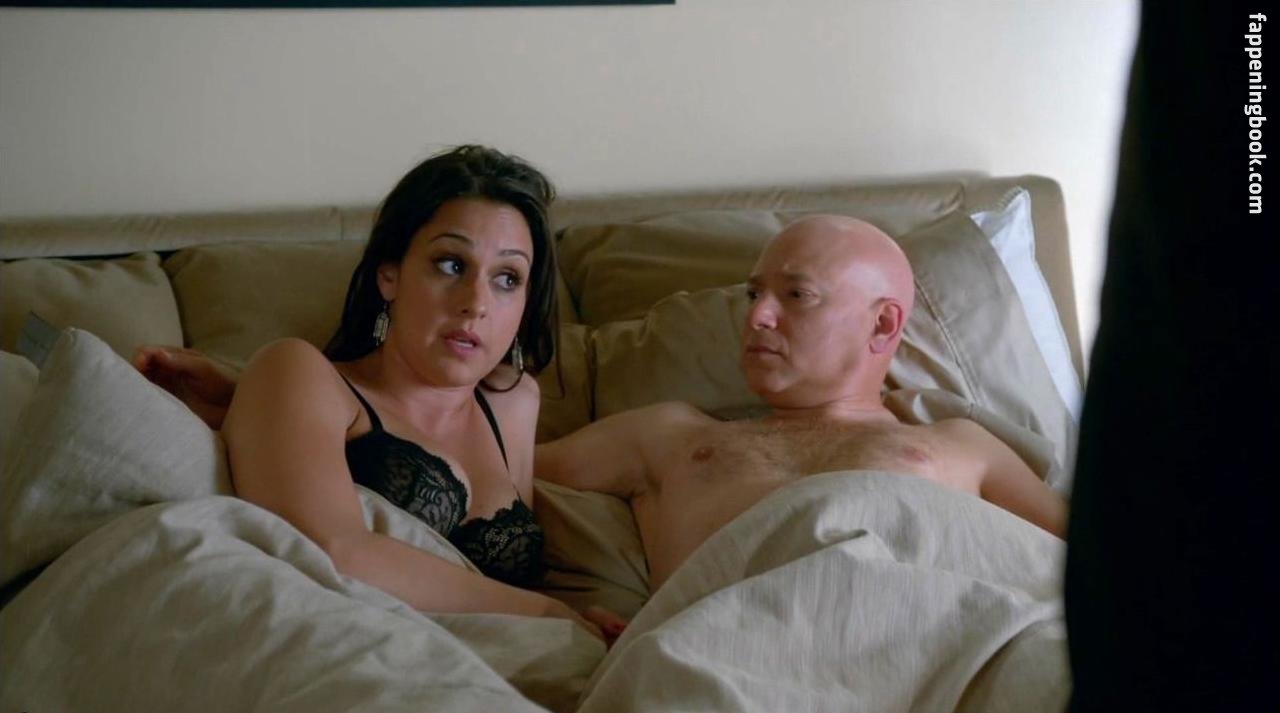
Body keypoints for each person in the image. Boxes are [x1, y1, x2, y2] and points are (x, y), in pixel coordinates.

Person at [138, 145, 621, 641]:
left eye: (507, 278)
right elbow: (332, 553)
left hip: (514, 656)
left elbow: (511, 586)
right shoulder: (299, 372)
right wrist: (547, 614)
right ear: (389, 275)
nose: (477, 303)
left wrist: (578, 620)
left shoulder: (513, 400)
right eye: (451, 264)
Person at [535, 215, 1068, 589]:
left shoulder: (961, 444)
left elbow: (1092, 568)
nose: (756, 316)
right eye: (754, 294)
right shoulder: (668, 436)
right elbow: (499, 477)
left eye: (796, 295)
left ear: (883, 324)